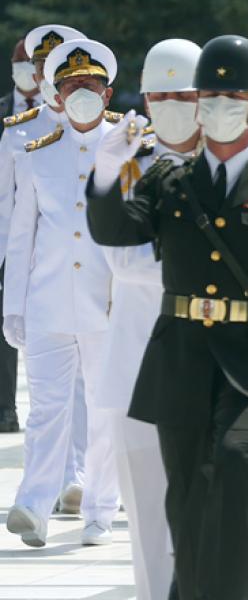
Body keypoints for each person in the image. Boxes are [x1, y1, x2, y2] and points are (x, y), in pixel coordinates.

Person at [86, 34, 248, 600]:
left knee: (238, 461)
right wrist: (107, 171)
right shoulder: (170, 182)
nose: (221, 107)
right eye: (212, 96)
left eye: (234, 96)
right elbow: (115, 232)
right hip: (182, 355)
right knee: (188, 492)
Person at [91, 37, 202, 600]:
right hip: (135, 361)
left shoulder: (229, 162)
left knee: (208, 510)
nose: (168, 106)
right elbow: (122, 260)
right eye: (157, 95)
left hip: (210, 359)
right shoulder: (131, 159)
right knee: (146, 520)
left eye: (181, 95)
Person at [4, 38, 118, 548]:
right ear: (57, 93)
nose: (80, 94)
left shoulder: (130, 148)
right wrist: (13, 308)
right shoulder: (36, 154)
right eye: (71, 86)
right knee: (47, 409)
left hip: (107, 306)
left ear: (108, 94)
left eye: (90, 86)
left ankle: (99, 509)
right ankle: (33, 504)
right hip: (49, 302)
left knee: (102, 409)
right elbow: (21, 235)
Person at [1, 23, 89, 507]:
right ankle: (59, 479)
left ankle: (82, 476)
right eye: (41, 67)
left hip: (92, 280)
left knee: (86, 390)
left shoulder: (109, 129)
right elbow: (6, 216)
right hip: (42, 276)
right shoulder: (20, 134)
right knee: (50, 393)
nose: (44, 74)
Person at [0, 38, 41, 434]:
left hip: (41, 235)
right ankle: (4, 409)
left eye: (32, 63)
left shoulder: (57, 118)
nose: (26, 70)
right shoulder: (2, 114)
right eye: (20, 63)